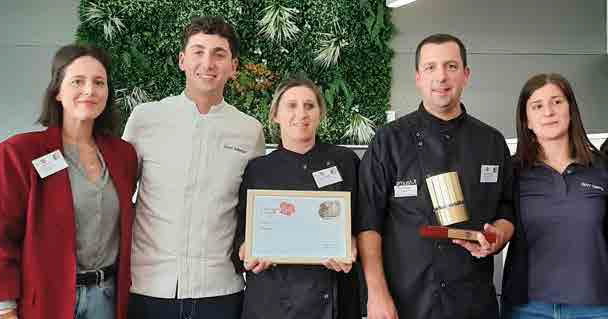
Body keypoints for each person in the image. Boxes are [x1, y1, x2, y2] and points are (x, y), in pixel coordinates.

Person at [357, 33, 515, 319]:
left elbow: (506, 207)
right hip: (406, 300)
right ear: (418, 77)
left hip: (473, 300)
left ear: (466, 75)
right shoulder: (388, 141)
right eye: (431, 67)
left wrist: (499, 235)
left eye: (451, 66)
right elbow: (368, 221)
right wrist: (376, 294)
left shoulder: (491, 142)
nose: (441, 76)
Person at [122, 16, 265, 319]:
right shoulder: (146, 118)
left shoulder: (249, 130)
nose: (208, 62)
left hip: (220, 290)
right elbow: (119, 196)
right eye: (198, 51)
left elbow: (252, 210)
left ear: (233, 67)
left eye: (219, 54)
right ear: (182, 60)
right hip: (149, 288)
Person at [0, 44, 138, 319]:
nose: (89, 90)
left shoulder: (123, 155)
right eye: (77, 81)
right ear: (58, 91)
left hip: (107, 299)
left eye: (99, 82)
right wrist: (3, 308)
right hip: (44, 301)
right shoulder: (20, 153)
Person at [232, 77, 362, 319]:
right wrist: (245, 249)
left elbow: (365, 223)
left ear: (320, 114)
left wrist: (352, 243)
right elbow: (239, 232)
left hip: (334, 297)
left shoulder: (346, 162)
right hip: (272, 303)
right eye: (291, 105)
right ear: (275, 115)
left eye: (309, 106)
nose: (301, 113)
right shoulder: (258, 170)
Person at [501, 73, 608, 318]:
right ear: (526, 119)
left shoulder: (602, 167)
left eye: (557, 102)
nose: (548, 112)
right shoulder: (511, 172)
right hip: (527, 309)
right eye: (537, 106)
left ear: (571, 109)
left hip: (597, 308)